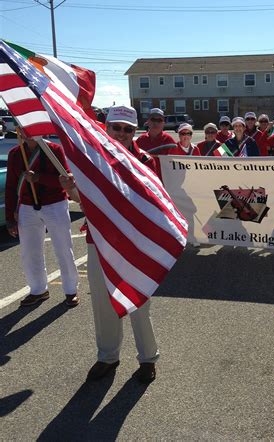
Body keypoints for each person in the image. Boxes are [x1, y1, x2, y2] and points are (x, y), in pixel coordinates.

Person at [63, 106, 160, 384]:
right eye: (116, 127)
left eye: (127, 129)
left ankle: (147, 358)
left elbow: (154, 203)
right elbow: (85, 201)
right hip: (100, 241)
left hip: (135, 244)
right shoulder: (93, 160)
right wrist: (71, 189)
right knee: (104, 304)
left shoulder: (145, 160)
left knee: (139, 303)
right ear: (106, 129)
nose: (121, 134)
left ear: (135, 132)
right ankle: (107, 356)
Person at [5, 132, 79, 307]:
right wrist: (10, 217)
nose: (26, 133)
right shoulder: (15, 153)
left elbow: (66, 180)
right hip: (27, 207)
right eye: (22, 128)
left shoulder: (53, 150)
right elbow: (10, 185)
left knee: (63, 248)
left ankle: (70, 289)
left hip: (55, 204)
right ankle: (38, 290)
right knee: (29, 252)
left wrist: (39, 178)